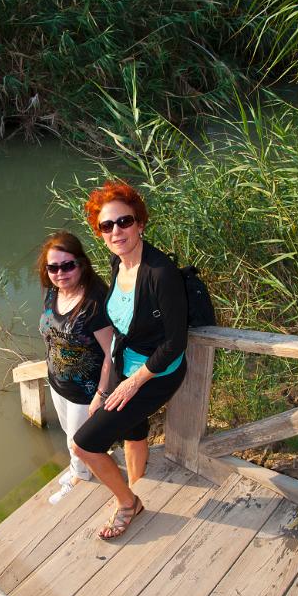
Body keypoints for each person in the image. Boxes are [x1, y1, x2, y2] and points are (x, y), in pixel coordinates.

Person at [71, 181, 188, 539]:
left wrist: (133, 382)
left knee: (84, 443)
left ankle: (128, 502)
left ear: (140, 224)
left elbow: (175, 342)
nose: (116, 231)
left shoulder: (160, 273)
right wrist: (107, 385)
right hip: (127, 363)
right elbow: (122, 328)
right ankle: (135, 484)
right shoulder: (117, 263)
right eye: (107, 226)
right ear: (100, 233)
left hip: (157, 373)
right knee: (133, 431)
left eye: (124, 222)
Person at [38, 231, 113, 505]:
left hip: (86, 391)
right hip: (58, 382)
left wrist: (101, 394)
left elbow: (111, 353)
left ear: (81, 263)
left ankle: (81, 478)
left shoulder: (94, 303)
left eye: (68, 265)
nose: (61, 273)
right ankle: (76, 470)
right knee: (71, 436)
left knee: (78, 443)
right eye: (53, 267)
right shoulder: (52, 293)